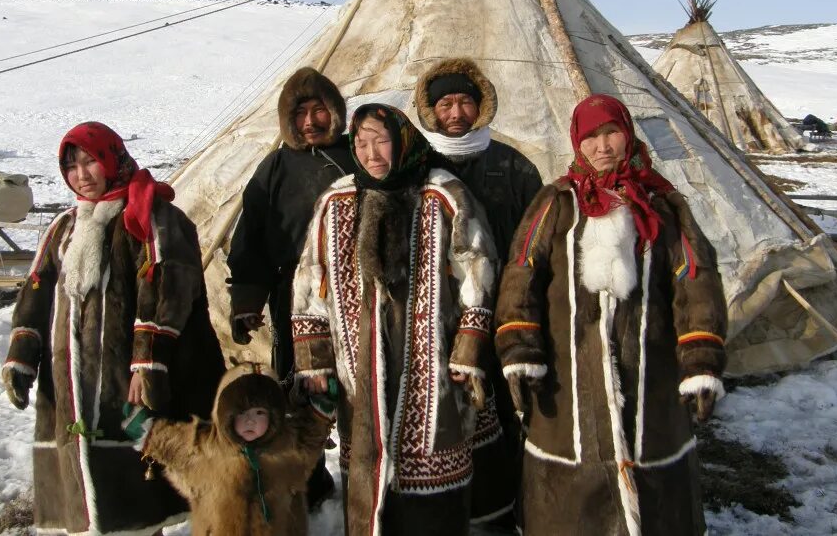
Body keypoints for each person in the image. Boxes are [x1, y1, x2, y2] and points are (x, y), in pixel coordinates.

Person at [495, 94, 727, 536]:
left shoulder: (662, 205)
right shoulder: (556, 203)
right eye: (591, 137)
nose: (603, 147)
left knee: (652, 466)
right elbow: (521, 271)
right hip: (569, 373)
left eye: (611, 133)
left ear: (628, 135)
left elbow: (695, 279)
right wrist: (520, 348)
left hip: (650, 367)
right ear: (577, 143)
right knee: (572, 477)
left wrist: (700, 359)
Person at [1, 121, 225, 535]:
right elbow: (36, 288)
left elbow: (167, 287)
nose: (81, 175)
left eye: (90, 161)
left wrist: (147, 362)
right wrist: (22, 355)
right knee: (89, 498)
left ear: (112, 159)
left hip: (130, 376)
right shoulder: (66, 227)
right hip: (74, 383)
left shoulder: (151, 216)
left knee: (138, 501)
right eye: (71, 166)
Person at [291, 104, 497, 536]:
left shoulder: (444, 194)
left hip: (433, 373)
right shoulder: (335, 201)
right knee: (367, 473)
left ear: (402, 140)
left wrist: (467, 349)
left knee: (432, 487)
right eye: (361, 144)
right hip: (359, 373)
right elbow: (311, 282)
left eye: (381, 141)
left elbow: (477, 270)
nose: (371, 154)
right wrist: (314, 360)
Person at [413, 57, 543, 527]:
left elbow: (537, 241)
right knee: (443, 411)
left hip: (505, 307)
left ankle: (507, 505)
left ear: (480, 105)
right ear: (430, 110)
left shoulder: (513, 165)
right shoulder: (417, 165)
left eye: (465, 100)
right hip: (437, 314)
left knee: (506, 411)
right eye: (445, 102)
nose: (455, 111)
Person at [227, 66, 356, 508]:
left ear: (335, 112)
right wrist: (246, 300)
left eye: (319, 110)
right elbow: (251, 237)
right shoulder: (276, 166)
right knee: (302, 386)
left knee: (361, 387)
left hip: (358, 295)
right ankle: (310, 478)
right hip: (295, 299)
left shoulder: (360, 155)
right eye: (299, 114)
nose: (309, 122)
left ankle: (366, 475)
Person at [121, 363, 337, 536]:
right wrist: (146, 431)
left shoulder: (286, 444)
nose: (250, 421)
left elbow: (309, 438)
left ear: (274, 414)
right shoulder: (206, 448)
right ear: (225, 413)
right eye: (241, 414)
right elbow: (172, 445)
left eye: (259, 413)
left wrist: (321, 412)